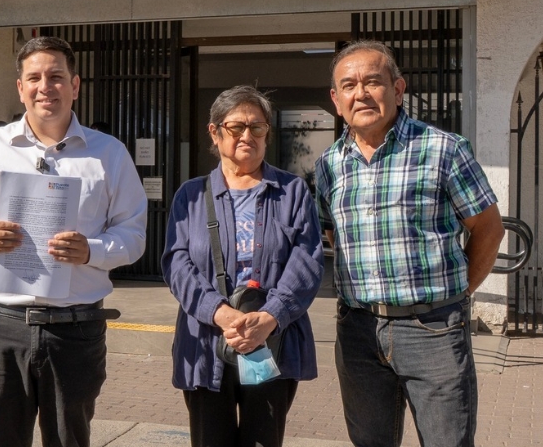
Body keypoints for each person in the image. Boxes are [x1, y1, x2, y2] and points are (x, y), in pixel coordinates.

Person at [0, 36, 148, 447]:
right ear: (20, 87)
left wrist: (93, 250)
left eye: (56, 76)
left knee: (70, 440)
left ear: (75, 85)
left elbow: (134, 235)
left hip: (75, 330)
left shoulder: (110, 154)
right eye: (34, 77)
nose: (44, 86)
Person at [314, 40, 504, 447]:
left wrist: (457, 294)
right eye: (348, 85)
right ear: (335, 99)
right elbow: (333, 233)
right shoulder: (329, 164)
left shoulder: (444, 150)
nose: (360, 93)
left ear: (398, 90)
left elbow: (489, 228)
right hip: (358, 330)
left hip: (432, 329)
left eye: (372, 82)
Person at [162, 85, 323, 447]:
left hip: (270, 341)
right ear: (215, 132)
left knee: (263, 439)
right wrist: (218, 313)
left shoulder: (292, 191)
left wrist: (269, 317)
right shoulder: (191, 195)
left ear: (267, 133)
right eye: (236, 127)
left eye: (257, 127)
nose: (247, 135)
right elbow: (176, 262)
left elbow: (307, 262)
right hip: (207, 342)